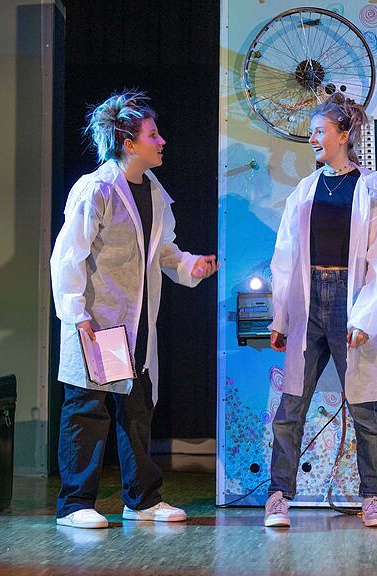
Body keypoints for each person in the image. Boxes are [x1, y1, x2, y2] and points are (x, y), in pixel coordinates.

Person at [50, 90, 218, 529]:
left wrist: (190, 265)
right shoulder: (98, 189)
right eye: (152, 135)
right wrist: (76, 313)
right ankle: (75, 504)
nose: (161, 141)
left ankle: (142, 499)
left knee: (137, 409)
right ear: (128, 143)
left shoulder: (155, 192)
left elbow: (162, 251)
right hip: (99, 321)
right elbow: (68, 256)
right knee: (88, 409)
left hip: (137, 323)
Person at [264, 93, 377, 529]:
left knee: (364, 408)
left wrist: (364, 317)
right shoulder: (306, 188)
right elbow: (286, 255)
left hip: (347, 300)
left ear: (343, 135)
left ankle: (372, 497)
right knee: (291, 405)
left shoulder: (369, 187)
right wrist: (281, 316)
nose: (313, 139)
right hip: (308, 300)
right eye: (312, 132)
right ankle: (278, 496)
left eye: (320, 131)